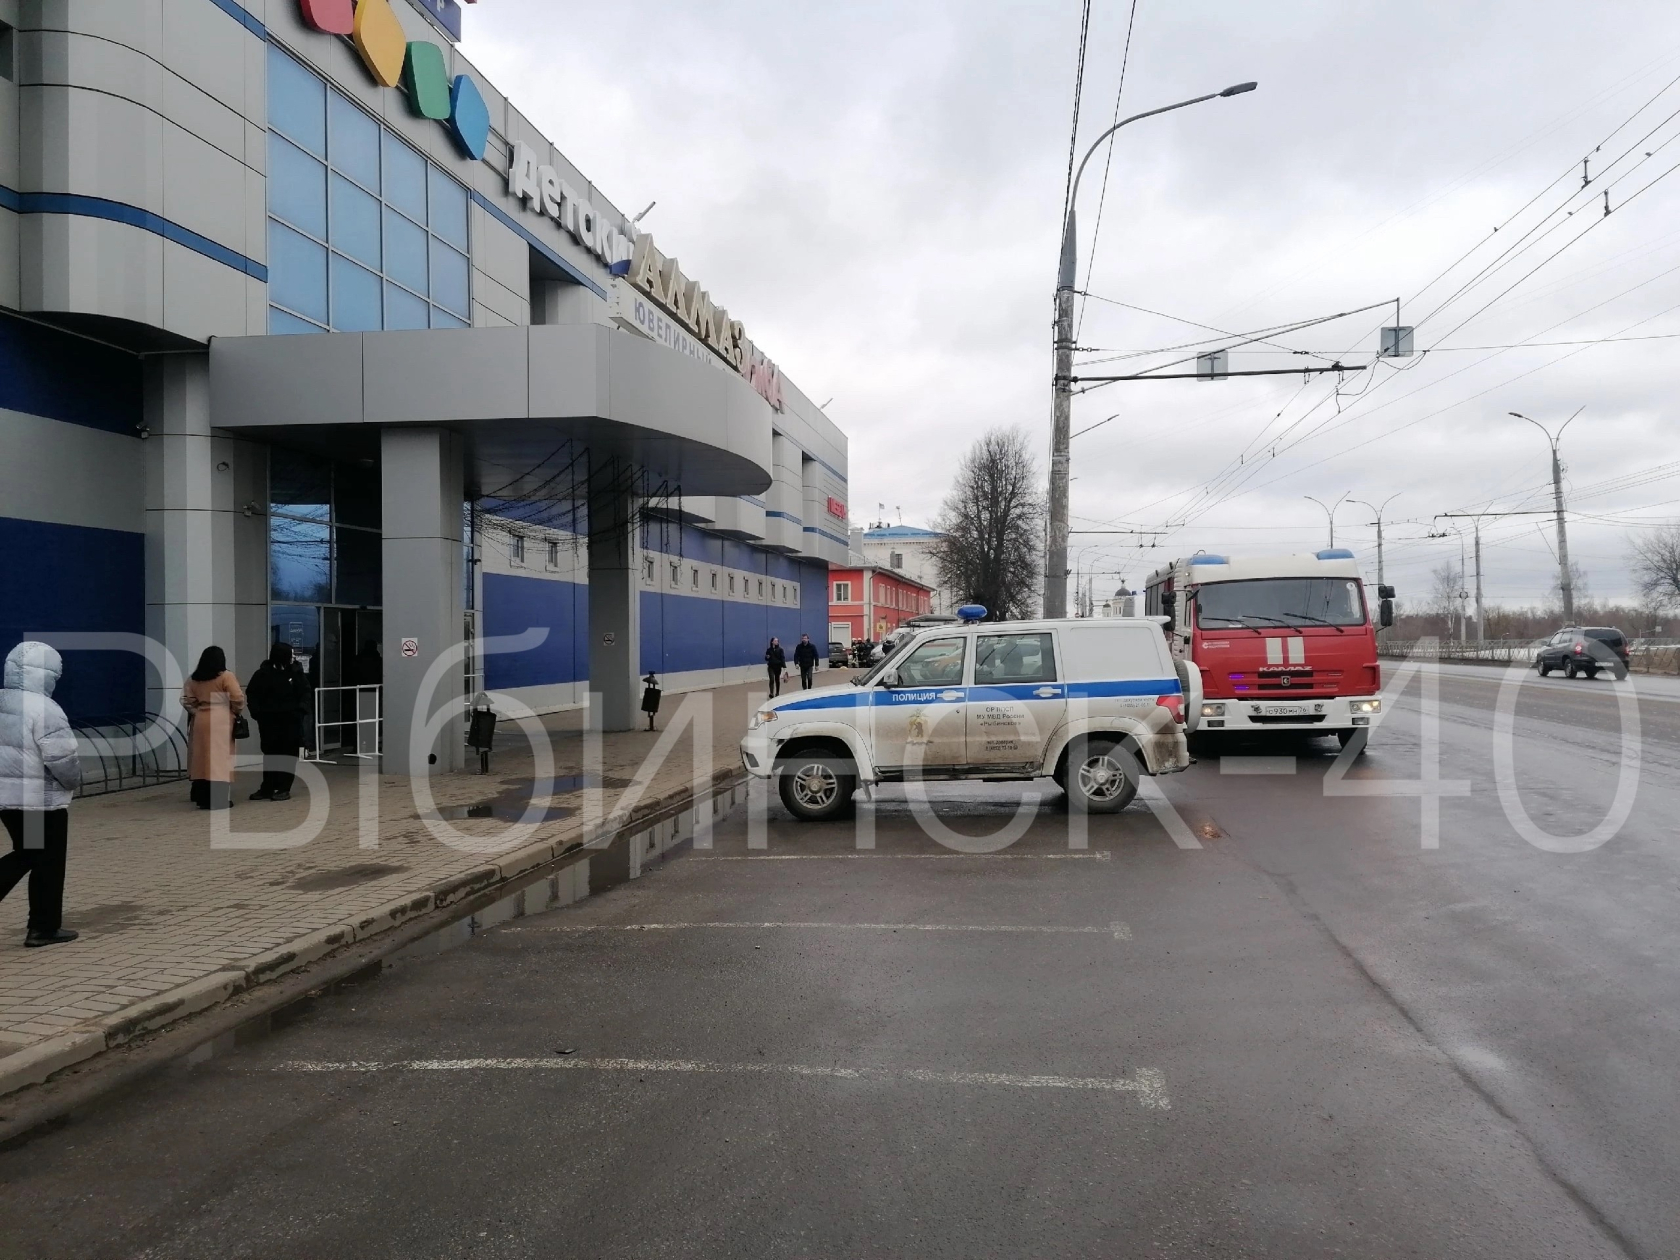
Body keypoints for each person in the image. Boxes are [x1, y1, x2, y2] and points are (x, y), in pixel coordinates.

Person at [0, 643, 82, 948]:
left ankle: (42, 926)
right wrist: (73, 782)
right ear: (46, 675)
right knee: (48, 861)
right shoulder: (45, 708)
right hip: (40, 800)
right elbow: (62, 758)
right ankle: (43, 927)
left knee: (30, 852)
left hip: (9, 799)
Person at [181, 646, 245, 810]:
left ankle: (202, 798)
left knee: (202, 759)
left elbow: (187, 699)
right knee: (220, 760)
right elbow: (237, 698)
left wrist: (198, 710)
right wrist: (236, 711)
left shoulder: (194, 678)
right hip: (222, 719)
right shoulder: (226, 676)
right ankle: (219, 799)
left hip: (201, 719)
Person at [246, 643, 311, 801]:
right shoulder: (263, 673)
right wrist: (257, 713)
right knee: (270, 754)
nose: (293, 657)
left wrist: (300, 710)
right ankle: (267, 787)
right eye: (290, 654)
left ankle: (284, 788)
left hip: (291, 720)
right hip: (269, 721)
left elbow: (305, 692)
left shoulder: (296, 672)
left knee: (288, 753)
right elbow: (252, 694)